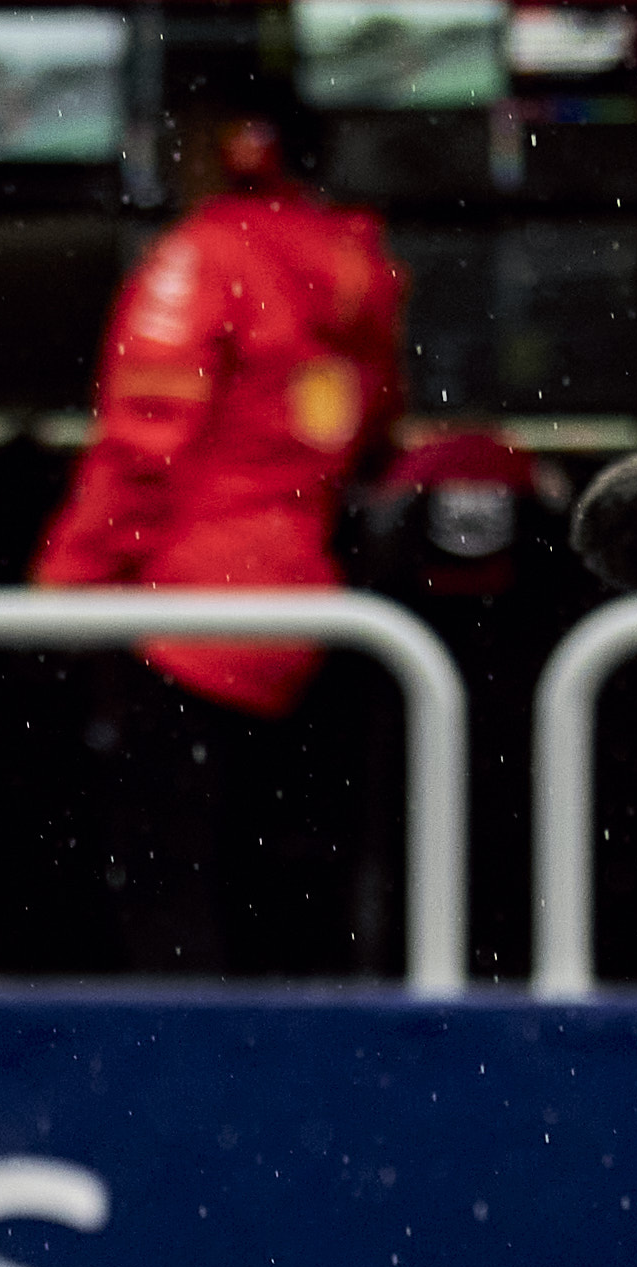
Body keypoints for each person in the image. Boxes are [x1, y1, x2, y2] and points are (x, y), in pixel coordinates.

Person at [33, 90, 407, 974]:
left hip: (186, 619)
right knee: (274, 895)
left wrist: (59, 599)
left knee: (165, 901)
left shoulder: (201, 259)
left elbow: (142, 449)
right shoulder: (361, 269)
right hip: (309, 615)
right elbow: (373, 431)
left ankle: (171, 1092)